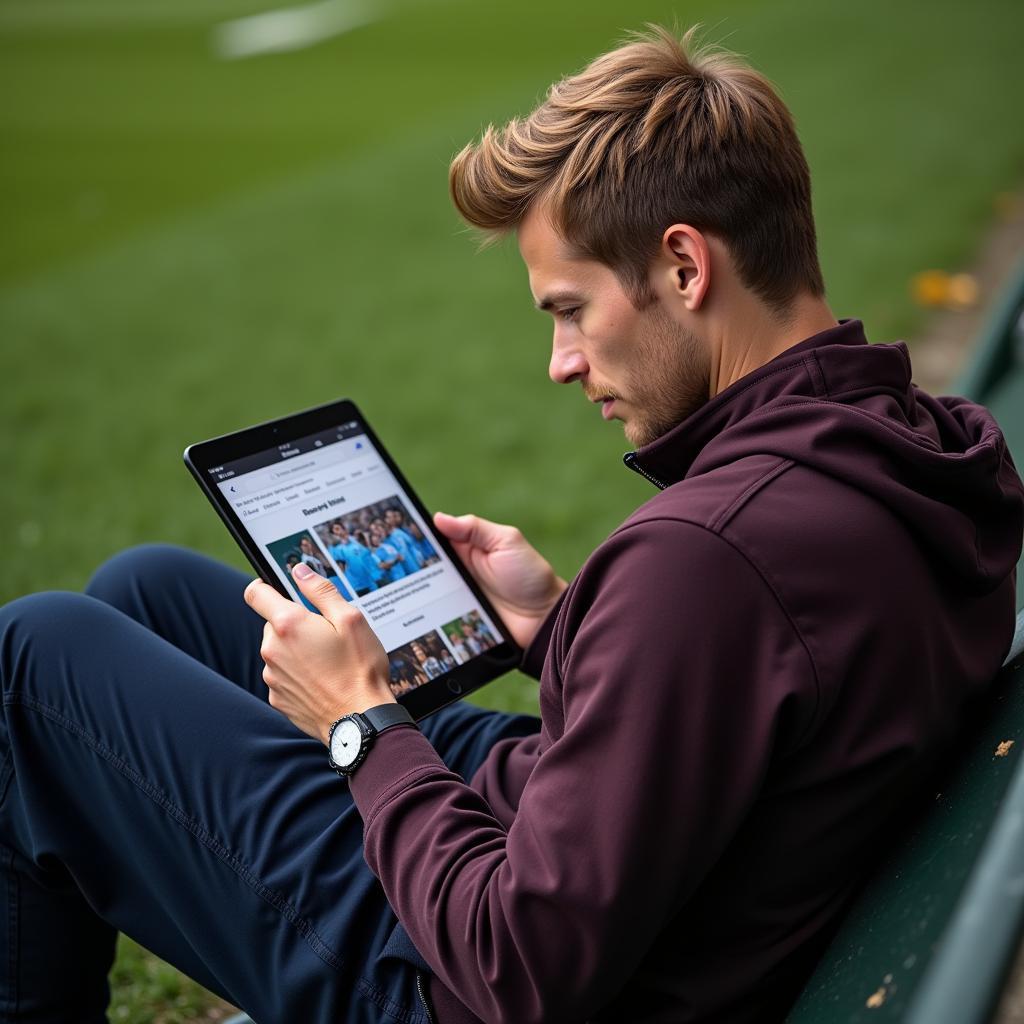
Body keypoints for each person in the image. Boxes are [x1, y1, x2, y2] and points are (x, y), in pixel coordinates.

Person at [0, 25, 1021, 1024]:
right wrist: (563, 626)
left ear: (682, 266)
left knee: (31, 661)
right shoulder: (908, 444)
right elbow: (759, 678)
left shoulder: (709, 558)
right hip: (612, 878)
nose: (561, 361)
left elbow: (518, 968)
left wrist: (364, 726)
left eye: (568, 309)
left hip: (442, 969)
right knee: (151, 592)